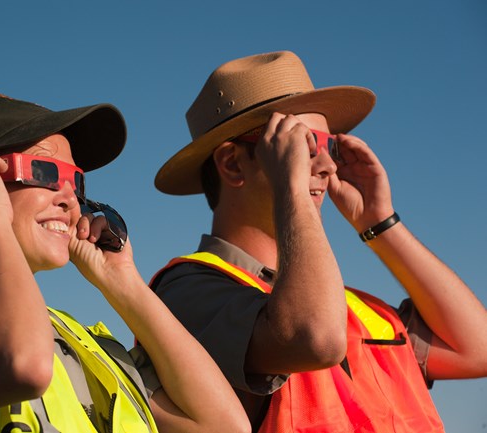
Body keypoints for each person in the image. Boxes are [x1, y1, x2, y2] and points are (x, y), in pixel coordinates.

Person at [0, 94, 250, 433]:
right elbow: (20, 367)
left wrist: (124, 284)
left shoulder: (82, 344)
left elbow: (223, 425)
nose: (71, 200)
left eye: (76, 182)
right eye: (43, 171)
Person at [150, 51, 487, 432]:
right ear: (232, 164)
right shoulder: (188, 291)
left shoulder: (358, 308)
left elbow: (477, 349)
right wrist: (292, 187)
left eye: (331, 148)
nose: (328, 165)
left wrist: (379, 222)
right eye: (303, 144)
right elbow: (315, 339)